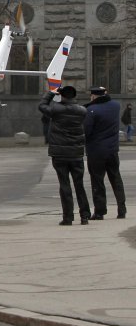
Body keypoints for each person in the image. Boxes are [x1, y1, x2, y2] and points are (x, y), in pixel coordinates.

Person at [39, 86, 91, 226]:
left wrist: (51, 93)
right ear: (74, 96)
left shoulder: (56, 110)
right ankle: (85, 215)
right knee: (79, 185)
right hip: (76, 153)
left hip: (60, 154)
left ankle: (68, 217)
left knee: (64, 185)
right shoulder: (82, 111)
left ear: (61, 96)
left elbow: (42, 106)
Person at [84, 87, 127, 220]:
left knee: (97, 181)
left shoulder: (91, 111)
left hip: (96, 151)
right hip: (113, 150)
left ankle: (100, 211)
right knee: (116, 179)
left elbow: (86, 131)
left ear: (93, 96)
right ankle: (122, 209)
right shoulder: (116, 106)